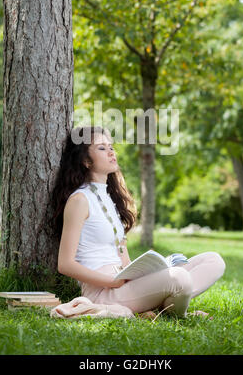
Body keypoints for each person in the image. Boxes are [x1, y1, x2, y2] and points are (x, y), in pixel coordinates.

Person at [51, 126, 226, 319]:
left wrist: (142, 272)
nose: (111, 152)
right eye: (102, 148)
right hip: (103, 292)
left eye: (111, 147)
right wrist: (112, 281)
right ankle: (176, 313)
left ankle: (157, 306)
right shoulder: (79, 200)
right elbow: (65, 264)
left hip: (124, 283)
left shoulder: (110, 198)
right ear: (85, 160)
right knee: (180, 278)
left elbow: (122, 255)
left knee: (213, 261)